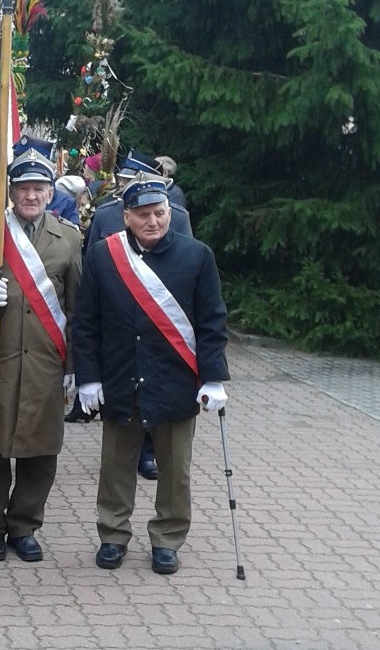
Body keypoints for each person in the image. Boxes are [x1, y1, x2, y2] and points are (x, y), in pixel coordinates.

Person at [72, 174, 230, 575]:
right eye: (142, 215)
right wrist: (88, 377)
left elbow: (212, 322)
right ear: (126, 217)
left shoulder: (197, 256)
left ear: (169, 213)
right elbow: (86, 322)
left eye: (159, 213)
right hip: (121, 376)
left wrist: (213, 378)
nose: (153, 222)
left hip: (175, 380)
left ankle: (167, 538)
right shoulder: (104, 257)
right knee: (116, 464)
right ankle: (112, 534)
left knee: (174, 469)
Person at [0, 148, 82, 562]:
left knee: (41, 450)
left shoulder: (69, 238)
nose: (31, 195)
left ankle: (24, 525)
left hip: (45, 363)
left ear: (50, 193)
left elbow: (76, 309)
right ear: (10, 192)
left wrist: (74, 367)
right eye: (23, 188)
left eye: (38, 188)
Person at [67, 149, 193, 482]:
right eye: (127, 179)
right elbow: (92, 269)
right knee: (123, 409)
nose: (151, 219)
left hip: (162, 323)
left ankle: (149, 453)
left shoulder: (177, 215)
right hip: (120, 328)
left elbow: (186, 272)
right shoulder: (108, 214)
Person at [14, 135, 80, 225]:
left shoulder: (65, 202)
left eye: (38, 189)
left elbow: (70, 235)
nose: (31, 196)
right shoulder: (7, 194)